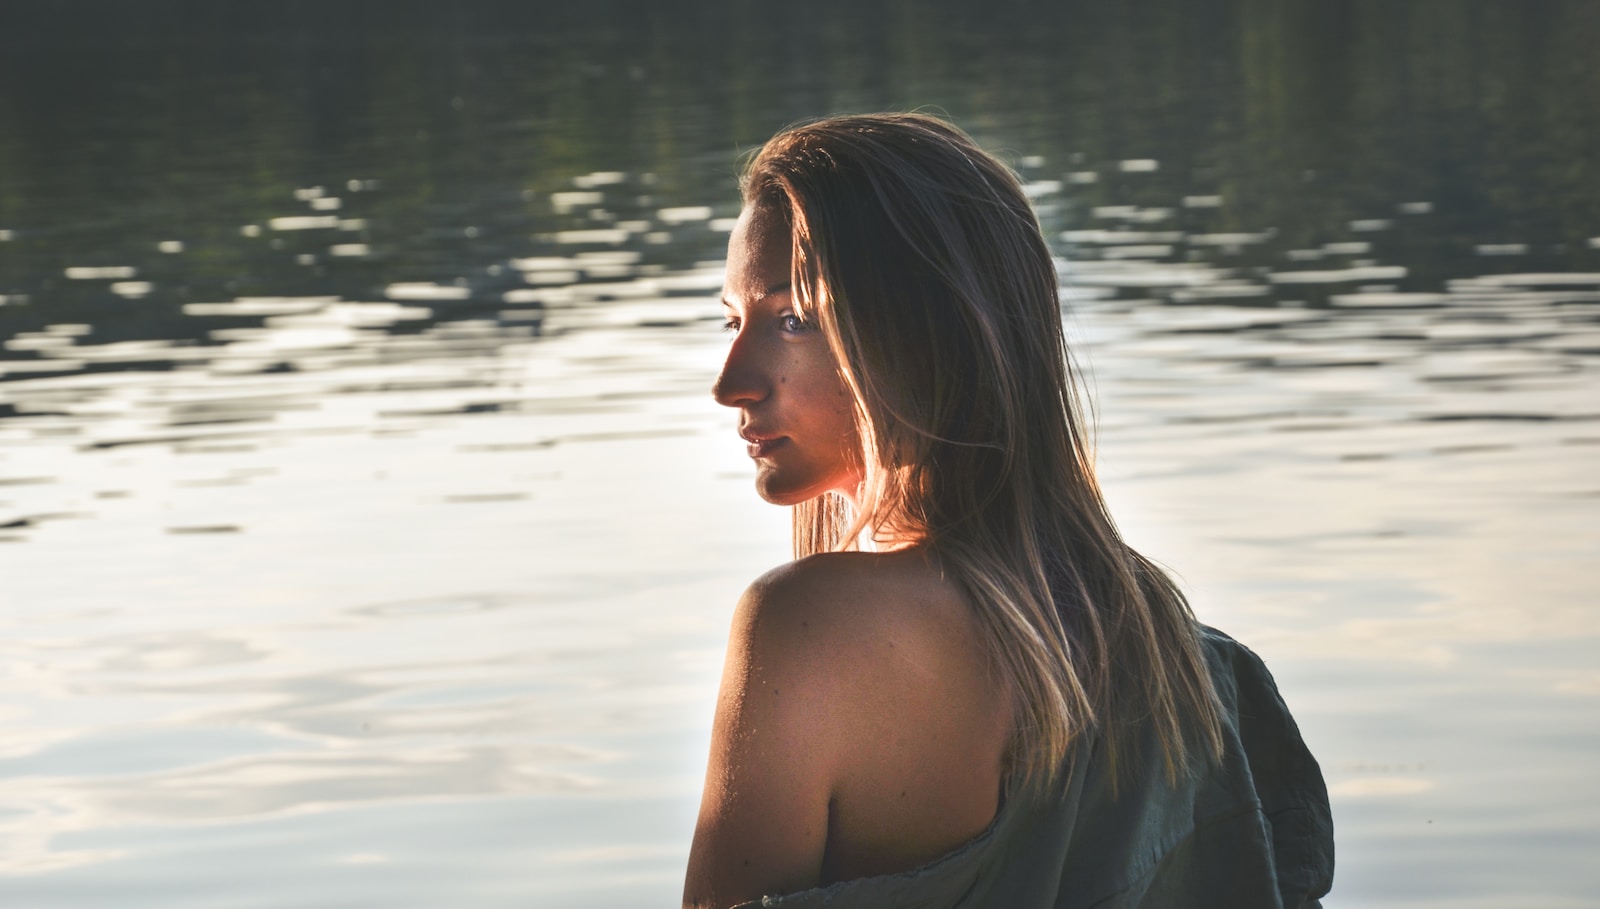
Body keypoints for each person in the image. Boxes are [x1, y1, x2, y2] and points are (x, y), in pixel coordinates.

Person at [684, 113, 1333, 909]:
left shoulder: (803, 625)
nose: (731, 381)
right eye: (731, 319)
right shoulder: (1184, 661)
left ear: (930, 336)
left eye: (794, 319)